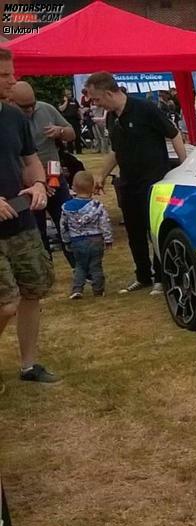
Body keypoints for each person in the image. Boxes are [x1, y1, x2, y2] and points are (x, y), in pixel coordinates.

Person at [86, 71, 187, 296]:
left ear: (110, 93)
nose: (95, 104)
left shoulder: (146, 109)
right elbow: (116, 150)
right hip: (128, 182)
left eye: (96, 98)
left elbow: (174, 134)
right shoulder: (113, 117)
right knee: (134, 232)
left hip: (152, 181)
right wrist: (101, 174)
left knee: (155, 231)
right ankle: (143, 276)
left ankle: (161, 277)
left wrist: (184, 168)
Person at [0, 48, 59, 384]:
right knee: (5, 304)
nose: (13, 80)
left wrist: (38, 183)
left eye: (12, 73)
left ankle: (29, 364)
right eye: (5, 75)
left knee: (32, 291)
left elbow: (30, 160)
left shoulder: (14, 118)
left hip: (21, 222)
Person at [9, 81, 76, 265]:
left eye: (33, 104)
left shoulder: (46, 109)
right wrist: (37, 183)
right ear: (11, 102)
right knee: (36, 228)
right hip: (27, 183)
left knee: (65, 220)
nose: (30, 110)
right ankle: (45, 268)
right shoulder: (9, 119)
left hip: (53, 173)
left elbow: (72, 133)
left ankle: (78, 267)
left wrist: (60, 131)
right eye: (25, 107)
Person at [60, 171, 112, 299]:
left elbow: (63, 226)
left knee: (80, 266)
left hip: (77, 241)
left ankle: (77, 289)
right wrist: (108, 238)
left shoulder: (66, 207)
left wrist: (66, 240)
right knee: (96, 265)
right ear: (93, 187)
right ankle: (98, 289)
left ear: (73, 188)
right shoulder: (98, 206)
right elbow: (105, 223)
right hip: (96, 240)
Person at [58, 89, 83, 154]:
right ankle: (70, 151)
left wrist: (81, 118)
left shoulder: (74, 100)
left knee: (78, 136)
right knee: (69, 137)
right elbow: (61, 109)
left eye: (70, 94)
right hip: (68, 120)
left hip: (76, 120)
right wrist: (66, 101)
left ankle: (79, 151)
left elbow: (79, 109)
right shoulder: (63, 101)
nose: (70, 95)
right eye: (68, 94)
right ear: (65, 95)